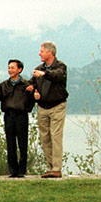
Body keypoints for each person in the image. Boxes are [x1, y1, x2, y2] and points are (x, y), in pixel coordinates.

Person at [28, 41, 68, 178]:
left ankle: (57, 168)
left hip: (57, 106)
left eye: (42, 51)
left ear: (49, 52)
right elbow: (31, 83)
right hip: (42, 107)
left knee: (55, 136)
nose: (39, 53)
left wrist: (44, 74)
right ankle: (50, 167)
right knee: (45, 138)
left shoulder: (61, 66)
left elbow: (57, 75)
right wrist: (33, 91)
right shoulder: (38, 68)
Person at [0, 59, 34, 178]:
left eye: (13, 68)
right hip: (8, 115)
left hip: (21, 116)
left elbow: (32, 100)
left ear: (19, 70)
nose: (10, 70)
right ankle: (13, 170)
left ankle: (21, 170)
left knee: (22, 143)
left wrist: (30, 95)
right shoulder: (4, 85)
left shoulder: (26, 85)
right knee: (10, 143)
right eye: (9, 68)